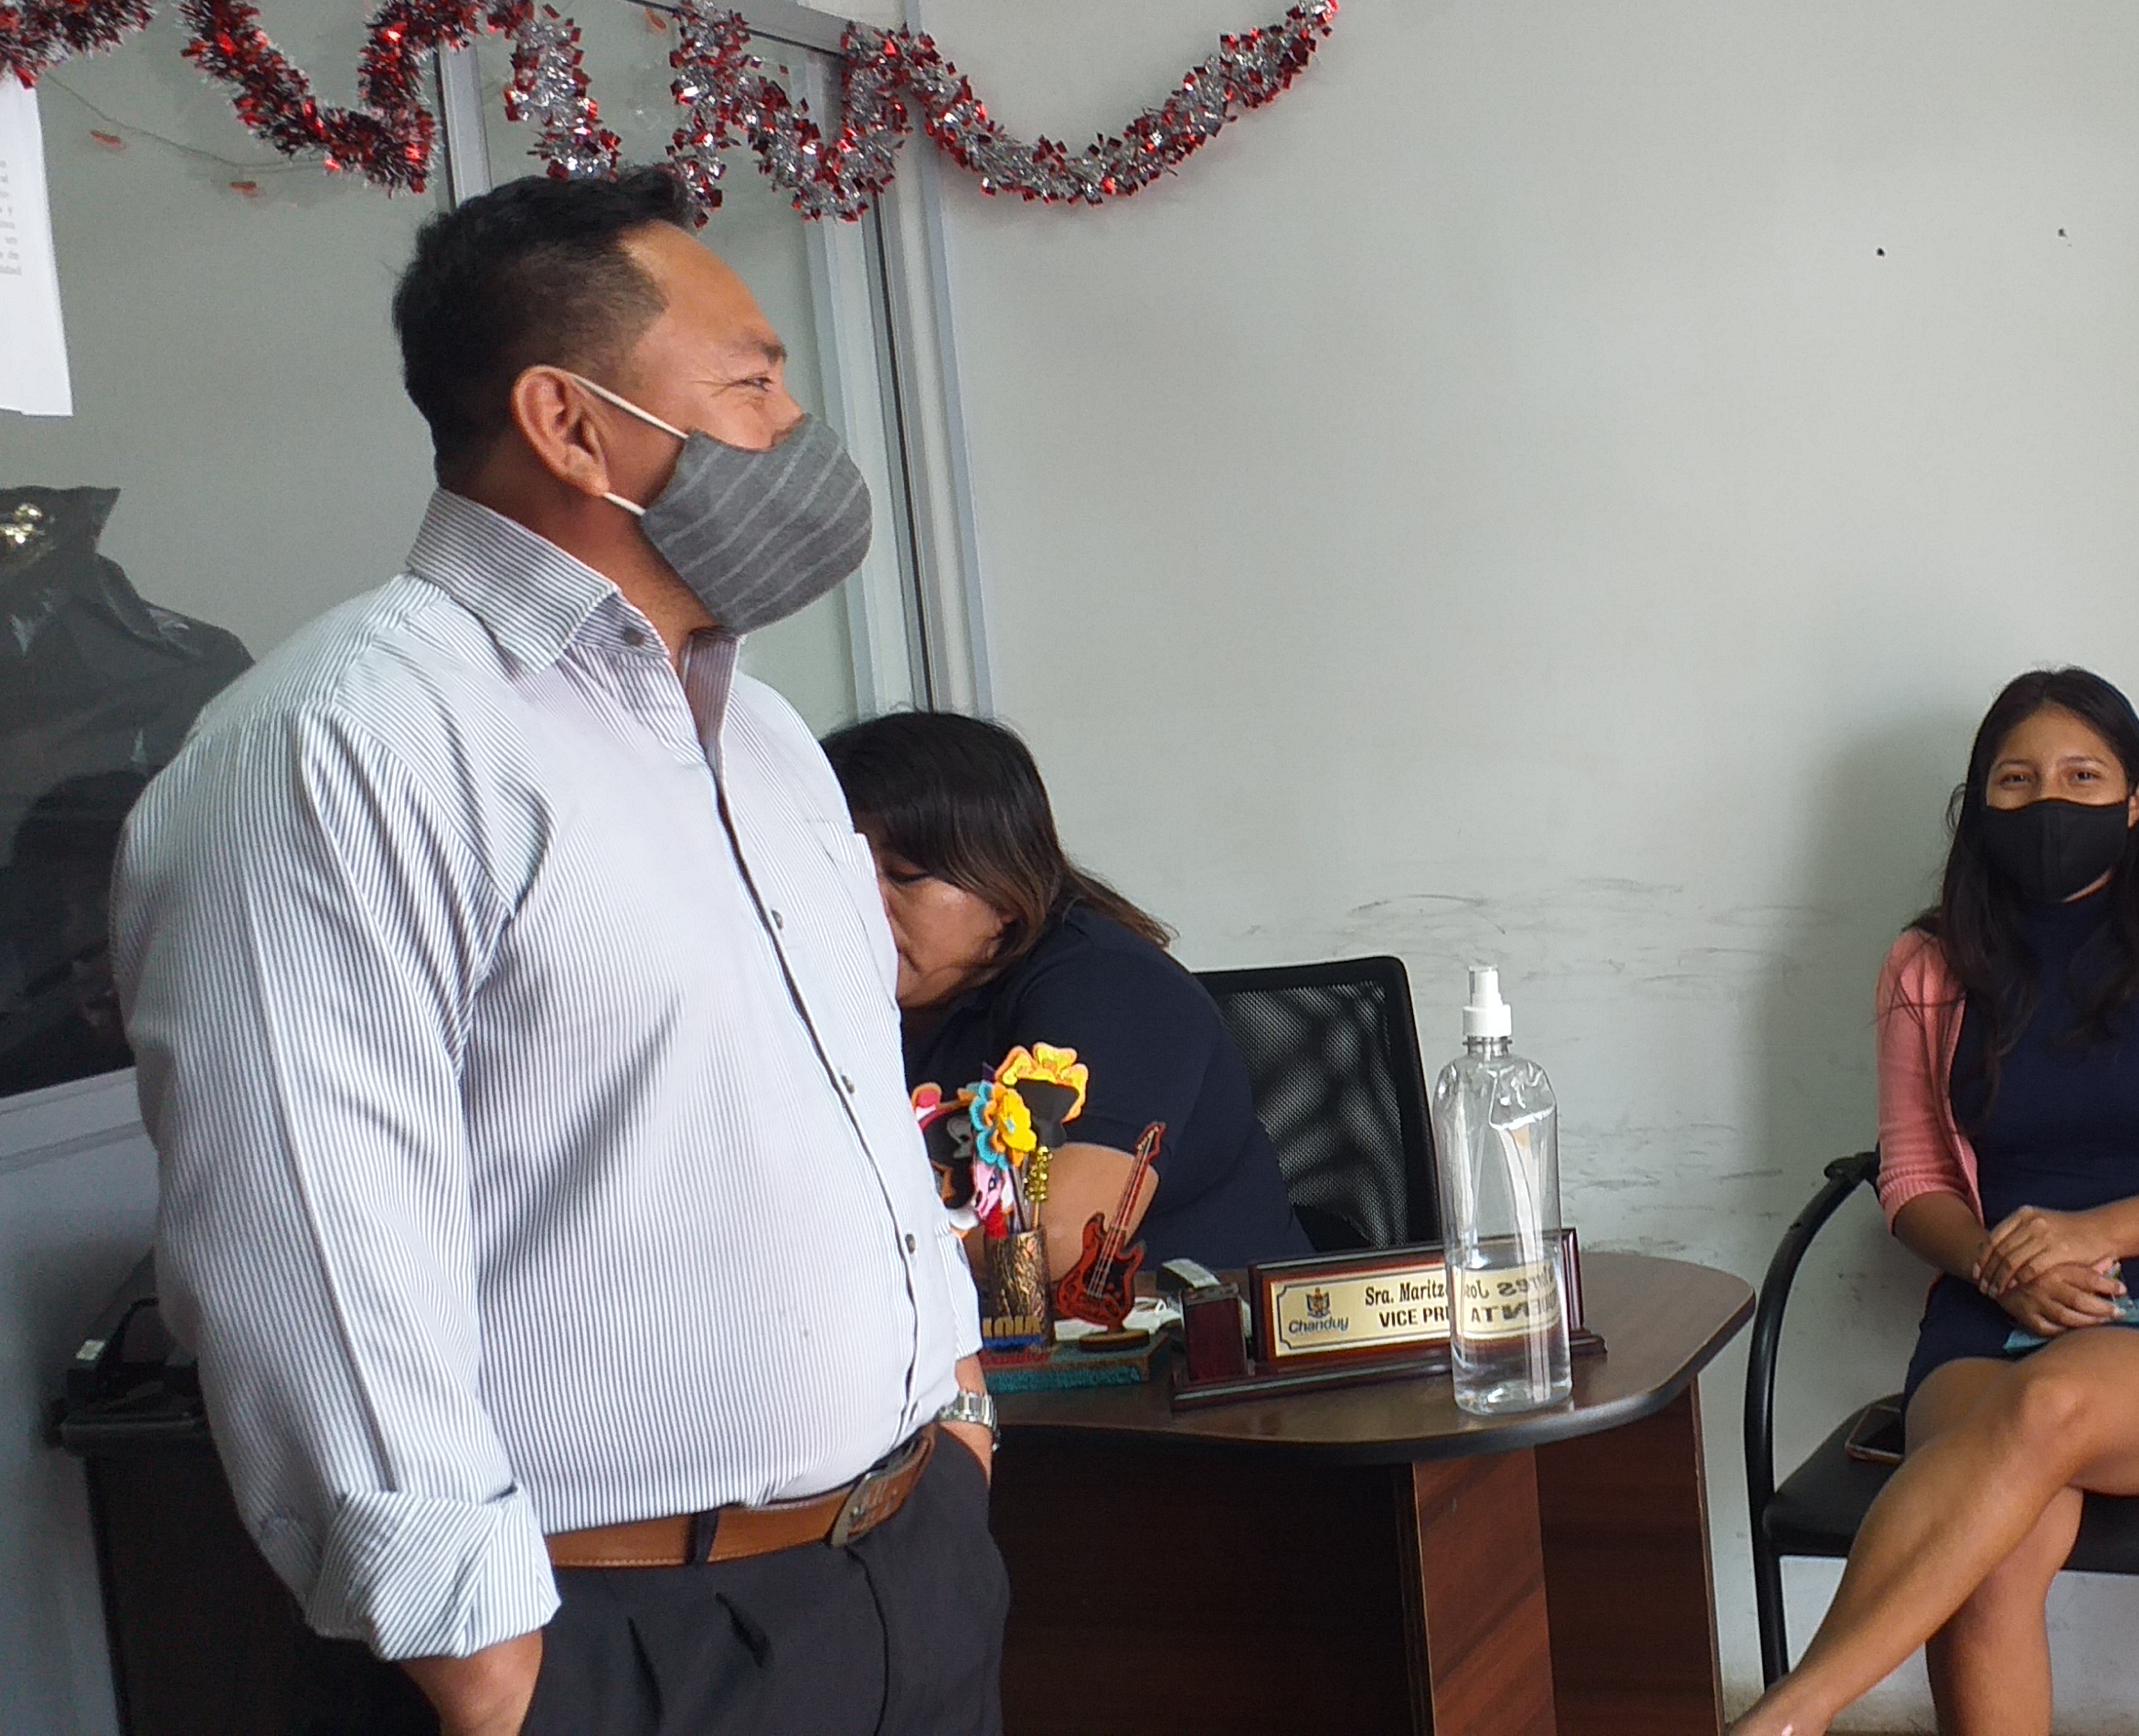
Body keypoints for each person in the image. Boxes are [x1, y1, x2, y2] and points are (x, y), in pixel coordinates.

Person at [113, 167, 1003, 1736]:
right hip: (611, 1638)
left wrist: (956, 1408)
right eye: (752, 383)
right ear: (569, 422)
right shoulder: (346, 747)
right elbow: (310, 1232)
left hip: (899, 1569)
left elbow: (843, 1110)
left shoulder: (764, 740)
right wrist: (485, 1661)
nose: (796, 427)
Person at [1734, 667, 2139, 1736]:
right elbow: (1912, 1181)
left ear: (2136, 798)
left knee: (2043, 1409)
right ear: (1978, 805)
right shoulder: (1927, 964)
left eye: (2081, 776)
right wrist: (1999, 1266)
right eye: (2016, 780)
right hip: (1990, 1301)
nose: (2048, 800)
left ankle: (1790, 1713)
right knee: (1995, 1557)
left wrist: (2088, 1235)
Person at [823, 709, 1312, 1275]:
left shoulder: (1112, 985)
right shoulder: (837, 999)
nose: (865, 903)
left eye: (904, 874)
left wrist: (822, 1244)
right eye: (840, 874)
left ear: (1002, 885)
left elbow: (1058, 1238)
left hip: (1189, 1325)